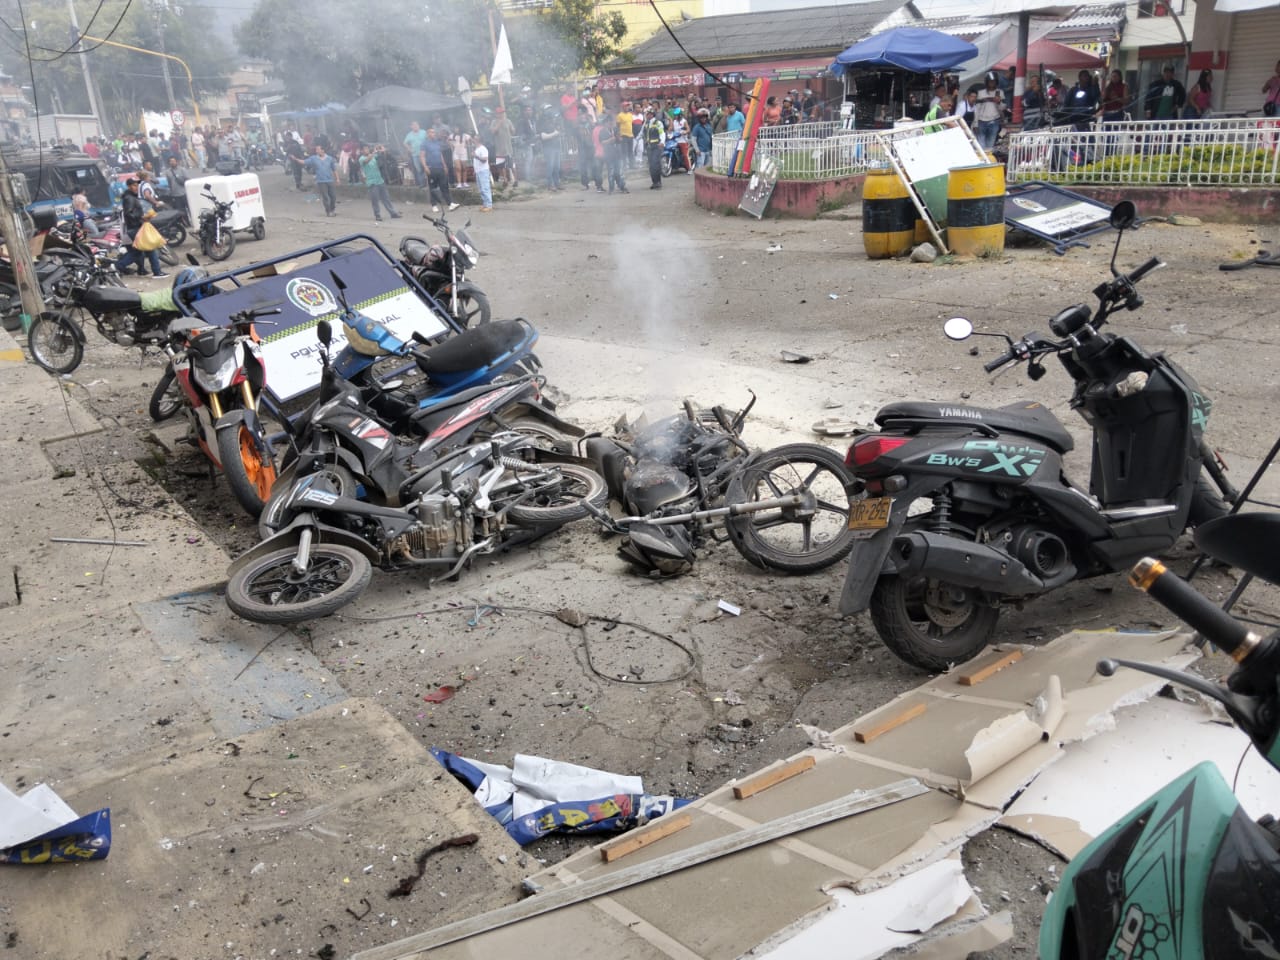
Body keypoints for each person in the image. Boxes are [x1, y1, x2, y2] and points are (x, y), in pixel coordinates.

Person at [114, 178, 166, 278]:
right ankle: (157, 272)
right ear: (129, 186)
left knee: (137, 253)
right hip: (135, 228)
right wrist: (141, 218)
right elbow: (128, 214)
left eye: (137, 185)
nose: (136, 187)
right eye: (134, 185)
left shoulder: (132, 197)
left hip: (135, 227)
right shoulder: (129, 198)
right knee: (150, 249)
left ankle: (118, 266)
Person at [419, 127, 458, 213]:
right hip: (431, 168)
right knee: (433, 187)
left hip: (440, 167)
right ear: (428, 134)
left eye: (434, 132)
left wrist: (444, 166)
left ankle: (450, 204)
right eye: (432, 132)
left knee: (444, 186)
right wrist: (425, 167)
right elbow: (422, 156)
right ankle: (434, 205)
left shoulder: (437, 143)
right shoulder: (424, 144)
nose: (434, 134)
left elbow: (440, 154)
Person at [359, 144, 401, 223]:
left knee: (386, 198)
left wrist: (382, 151)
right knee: (375, 200)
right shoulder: (361, 159)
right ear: (362, 151)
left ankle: (393, 213)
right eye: (365, 149)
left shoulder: (374, 157)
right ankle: (377, 215)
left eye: (367, 149)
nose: (366, 150)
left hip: (380, 180)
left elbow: (382, 159)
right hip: (371, 182)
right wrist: (374, 153)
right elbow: (366, 161)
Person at [305, 144, 339, 216]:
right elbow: (305, 162)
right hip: (321, 181)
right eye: (316, 149)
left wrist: (337, 178)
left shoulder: (330, 159)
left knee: (333, 196)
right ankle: (328, 211)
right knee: (325, 196)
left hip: (329, 180)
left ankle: (332, 209)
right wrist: (296, 159)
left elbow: (334, 169)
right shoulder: (314, 158)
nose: (316, 151)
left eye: (318, 149)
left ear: (323, 150)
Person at [973, 73, 1004, 150]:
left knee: (990, 145)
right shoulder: (981, 93)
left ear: (996, 82)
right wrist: (975, 123)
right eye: (990, 81)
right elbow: (977, 109)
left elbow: (1003, 108)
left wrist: (999, 102)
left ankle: (989, 161)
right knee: (981, 145)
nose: (992, 83)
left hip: (994, 120)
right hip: (981, 121)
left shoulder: (1000, 92)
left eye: (993, 81)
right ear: (986, 82)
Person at [538, 105, 563, 191]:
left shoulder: (554, 122)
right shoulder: (542, 123)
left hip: (556, 147)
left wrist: (558, 131)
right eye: (549, 109)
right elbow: (543, 136)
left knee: (557, 167)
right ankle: (550, 184)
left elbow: (559, 131)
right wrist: (555, 134)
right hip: (548, 148)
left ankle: (557, 183)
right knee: (550, 167)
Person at [490, 107, 515, 186]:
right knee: (501, 166)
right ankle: (505, 180)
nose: (502, 114)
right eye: (500, 113)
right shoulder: (494, 122)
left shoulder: (508, 121)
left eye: (502, 113)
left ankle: (515, 180)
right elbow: (493, 131)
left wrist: (512, 129)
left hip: (508, 147)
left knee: (511, 165)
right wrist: (499, 123)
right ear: (497, 114)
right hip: (499, 149)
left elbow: (513, 131)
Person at [644, 108, 665, 189]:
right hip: (649, 147)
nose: (648, 115)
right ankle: (654, 182)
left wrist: (662, 142)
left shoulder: (658, 123)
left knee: (655, 164)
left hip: (657, 146)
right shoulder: (646, 123)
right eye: (647, 114)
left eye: (649, 114)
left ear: (652, 114)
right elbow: (642, 133)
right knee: (651, 166)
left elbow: (662, 133)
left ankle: (658, 181)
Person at [403, 121, 428, 188]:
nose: (415, 126)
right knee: (419, 170)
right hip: (415, 155)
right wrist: (410, 149)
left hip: (424, 154)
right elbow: (405, 143)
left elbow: (428, 139)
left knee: (426, 168)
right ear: (411, 127)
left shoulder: (423, 132)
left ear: (419, 125)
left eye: (416, 125)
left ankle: (429, 183)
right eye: (413, 125)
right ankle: (422, 184)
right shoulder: (409, 134)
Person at [473, 142, 493, 211]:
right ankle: (485, 204)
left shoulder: (483, 149)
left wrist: (476, 156)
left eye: (474, 139)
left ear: (478, 140)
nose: (473, 141)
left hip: (483, 171)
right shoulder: (477, 149)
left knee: (485, 188)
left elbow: (484, 160)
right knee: (481, 189)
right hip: (478, 171)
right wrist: (475, 170)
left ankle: (489, 205)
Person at [616, 102, 634, 170]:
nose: (627, 107)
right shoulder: (620, 115)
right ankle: (625, 166)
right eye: (625, 106)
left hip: (630, 135)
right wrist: (618, 136)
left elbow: (631, 124)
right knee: (624, 151)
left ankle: (632, 165)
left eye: (628, 106)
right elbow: (617, 126)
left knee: (631, 151)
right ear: (622, 107)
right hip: (623, 135)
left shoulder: (630, 115)